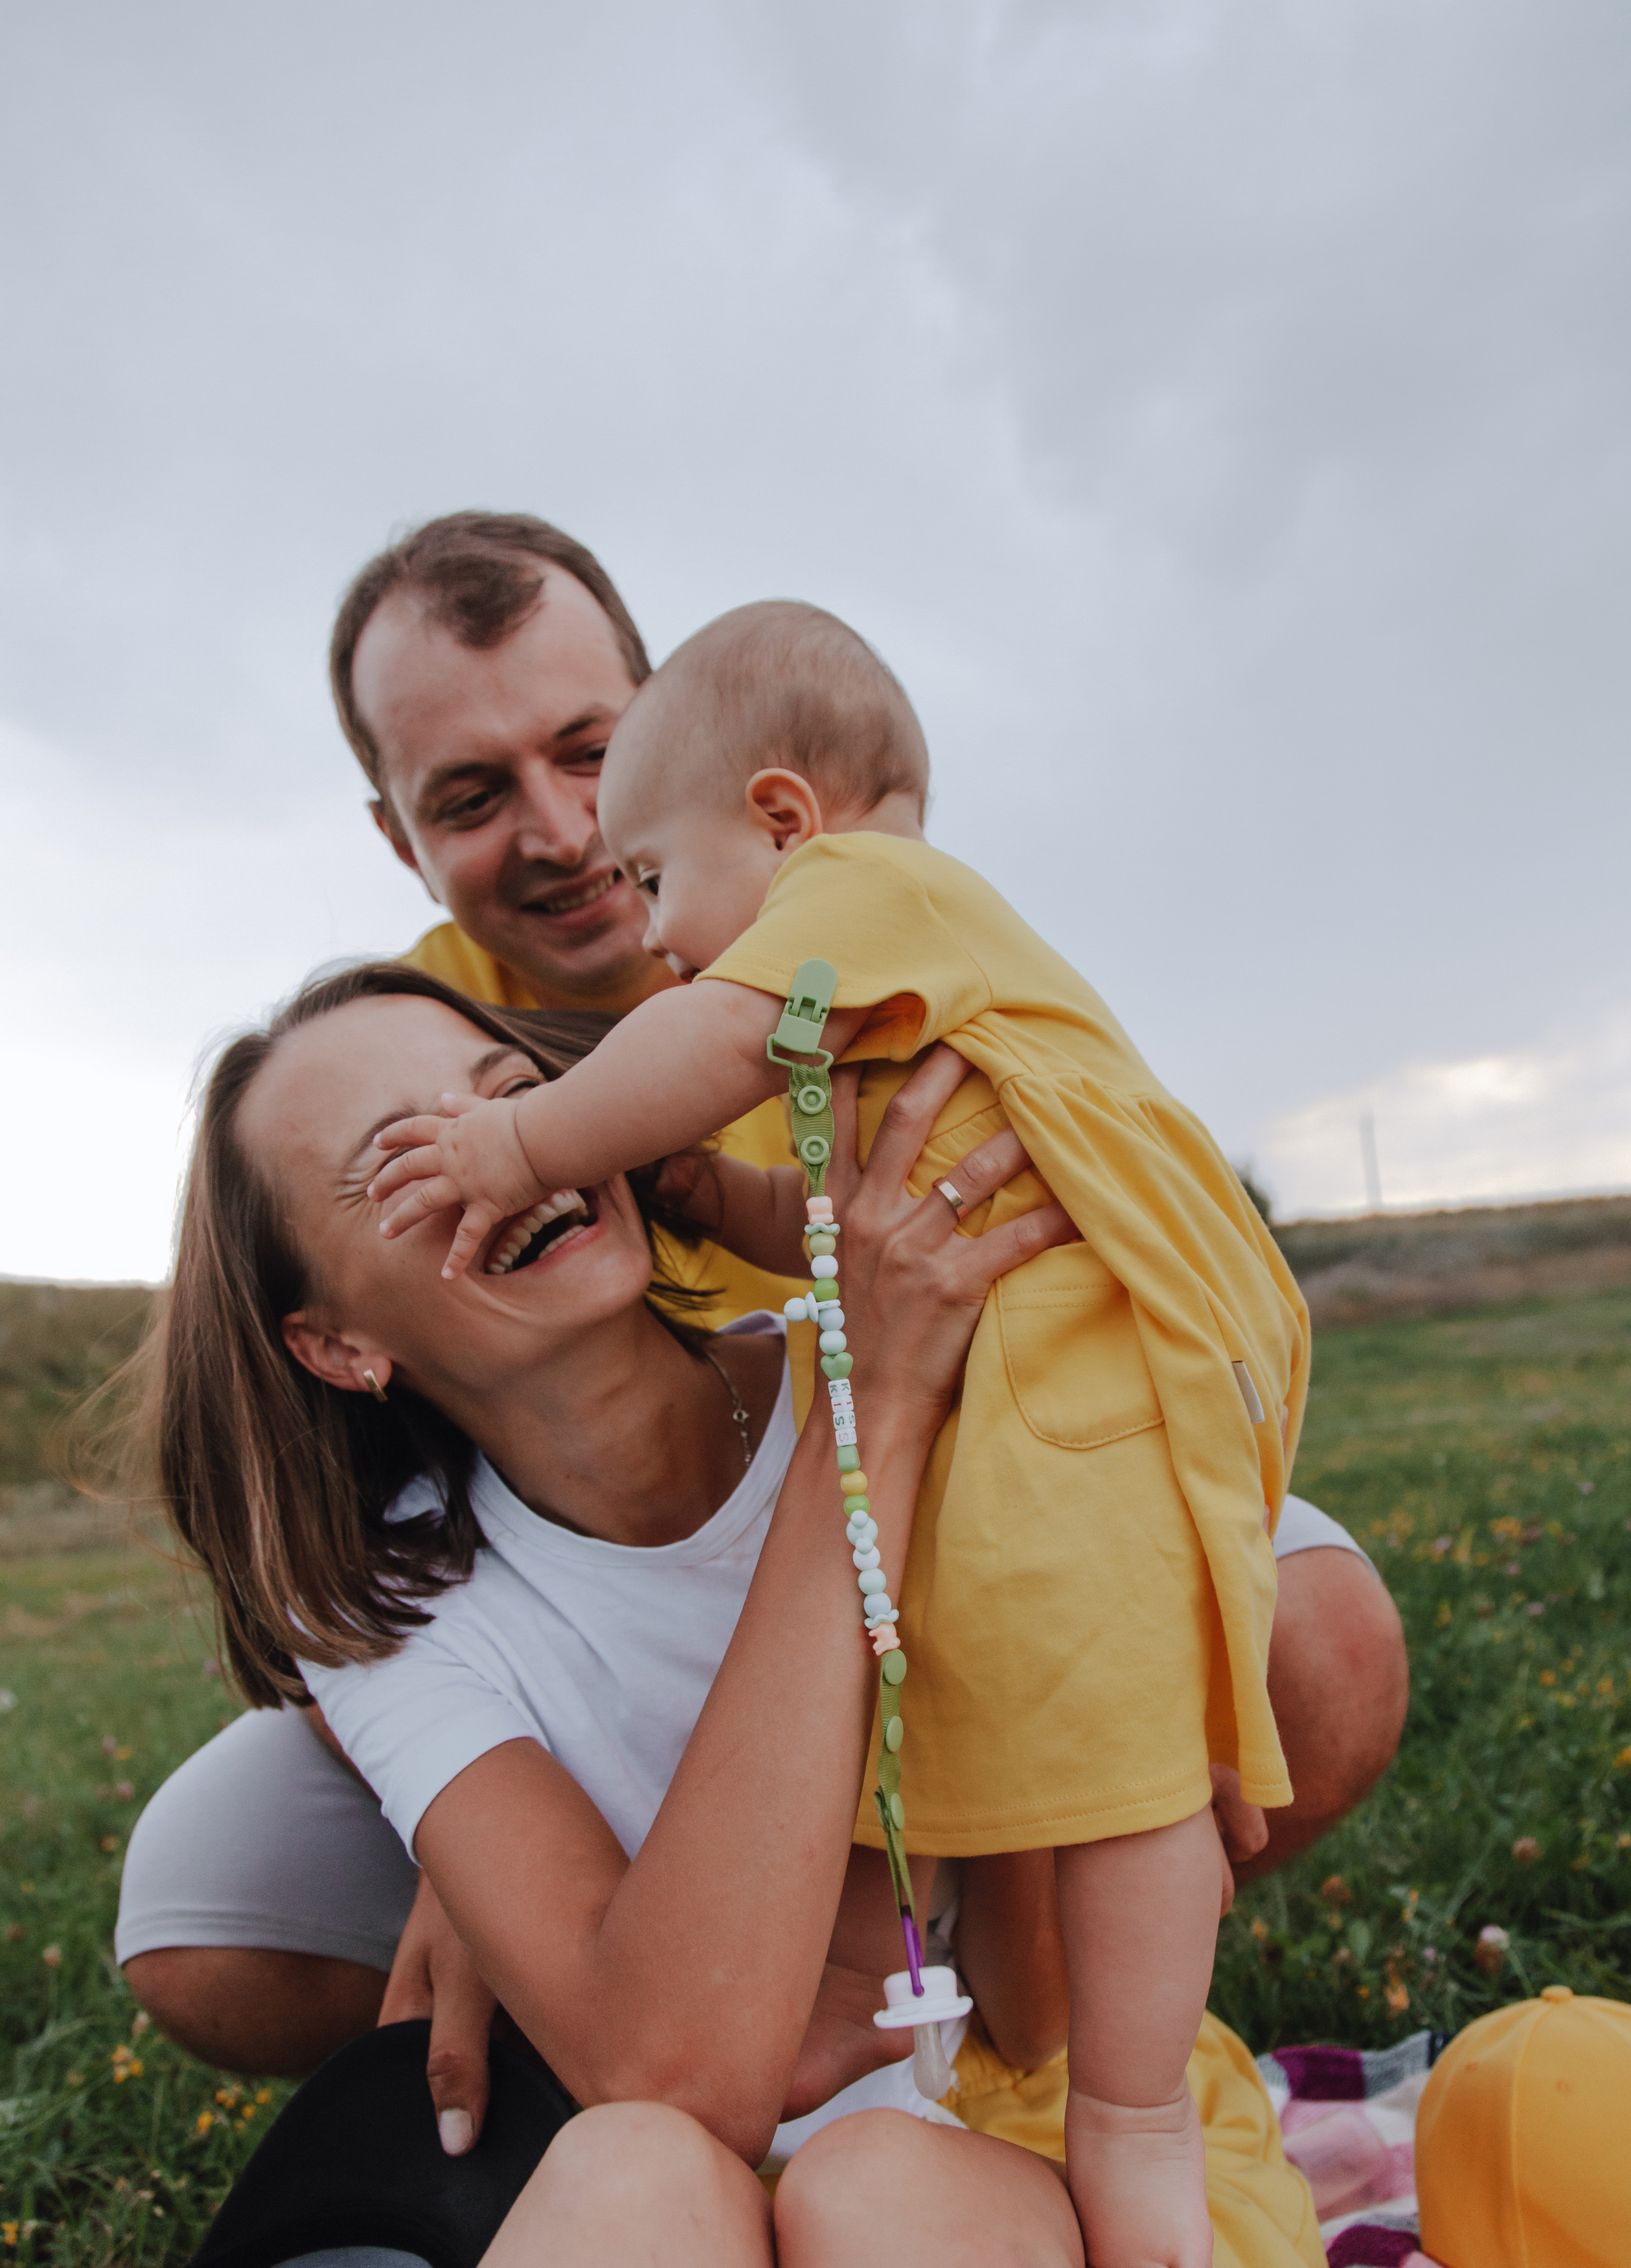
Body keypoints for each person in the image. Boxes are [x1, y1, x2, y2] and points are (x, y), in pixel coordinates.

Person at [117, 510, 1405, 2084]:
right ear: (398, 836)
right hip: (602, 1566)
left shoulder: (828, 907)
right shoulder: (398, 1035)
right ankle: (613, 1980)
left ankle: (1014, 1969)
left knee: (1317, 1642)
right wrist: (458, 1833)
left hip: (939, 1422)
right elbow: (310, 1498)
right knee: (203, 1902)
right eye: (469, 795)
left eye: (589, 752)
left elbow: (1018, 1211)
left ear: (674, 724)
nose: (563, 831)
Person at [111, 963, 1352, 2268]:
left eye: (512, 1100)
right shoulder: (395, 1609)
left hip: (1046, 2237)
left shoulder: (939, 1356)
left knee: (877, 2186)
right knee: (638, 2165)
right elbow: (683, 2067)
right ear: (336, 1347)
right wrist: (871, 1420)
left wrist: (884, 1394)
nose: (495, 1152)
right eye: (399, 1166)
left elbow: (1033, 2010)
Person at [364, 598, 1308, 2268]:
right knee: (1074, 1751)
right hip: (1015, 1394)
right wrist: (696, 1195)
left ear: (787, 822)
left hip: (1055, 1394)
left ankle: (1127, 2104)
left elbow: (709, 1051)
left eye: (654, 876)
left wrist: (516, 1137)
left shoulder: (860, 897)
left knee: (1128, 1769)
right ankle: (967, 2064)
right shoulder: (862, 977)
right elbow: (827, 1211)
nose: (648, 934)